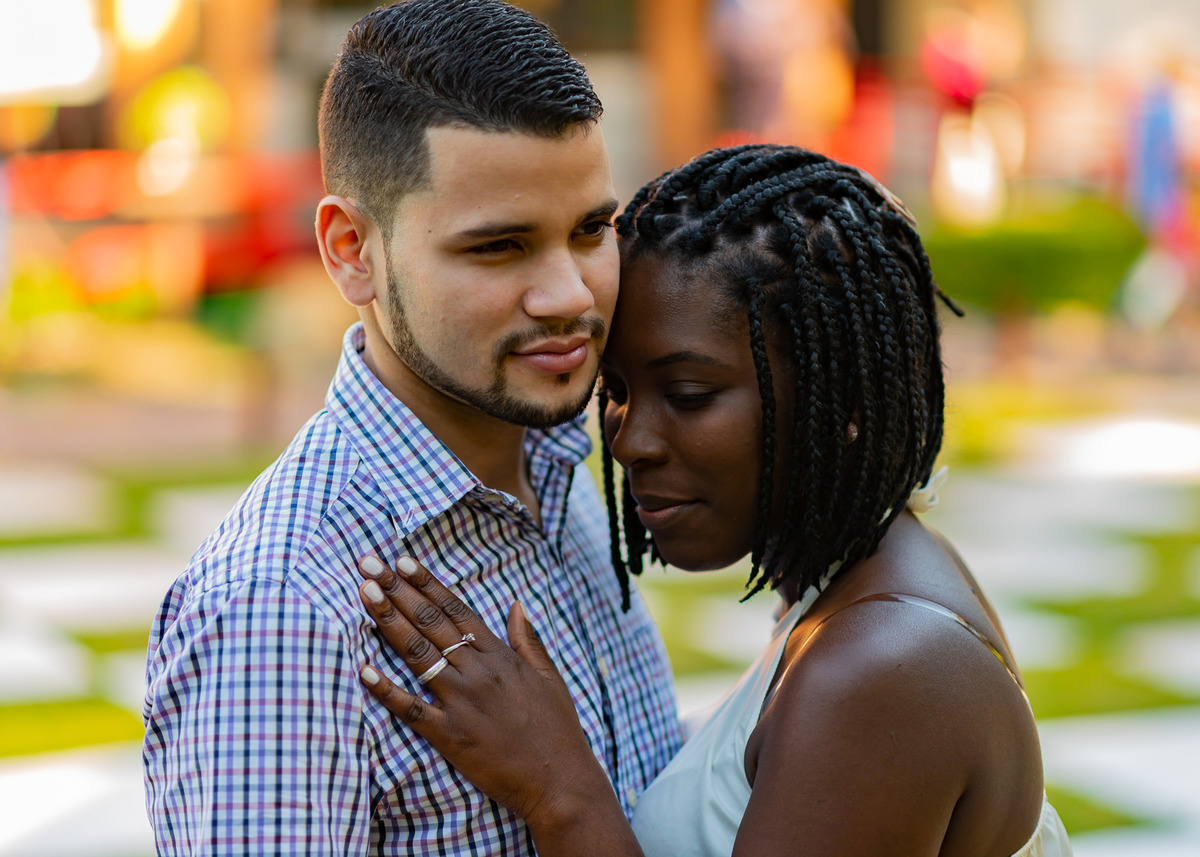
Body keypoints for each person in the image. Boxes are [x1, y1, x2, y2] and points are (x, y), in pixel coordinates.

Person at [352, 145, 1074, 857]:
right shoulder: (861, 577)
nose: (631, 441)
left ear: (840, 396)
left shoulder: (882, 671)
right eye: (619, 391)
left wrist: (557, 785)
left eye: (689, 395)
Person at [141, 2, 681, 853]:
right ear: (352, 248)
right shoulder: (284, 610)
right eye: (499, 247)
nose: (572, 295)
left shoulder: (560, 477)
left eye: (589, 231)